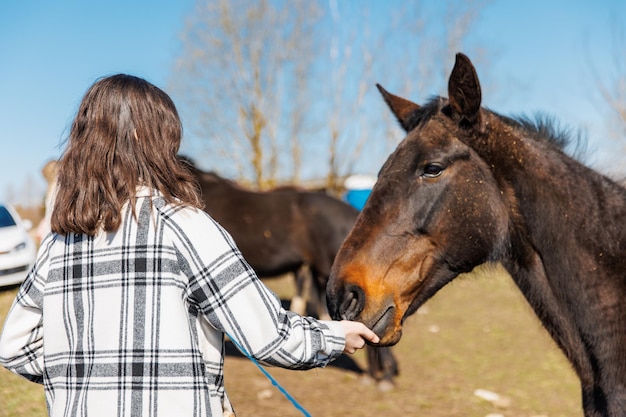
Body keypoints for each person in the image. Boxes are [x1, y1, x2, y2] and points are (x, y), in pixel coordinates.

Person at [0, 74, 378, 417]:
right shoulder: (184, 226)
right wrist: (333, 335)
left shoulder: (61, 242)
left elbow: (14, 346)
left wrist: (86, 378)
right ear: (149, 141)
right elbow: (268, 335)